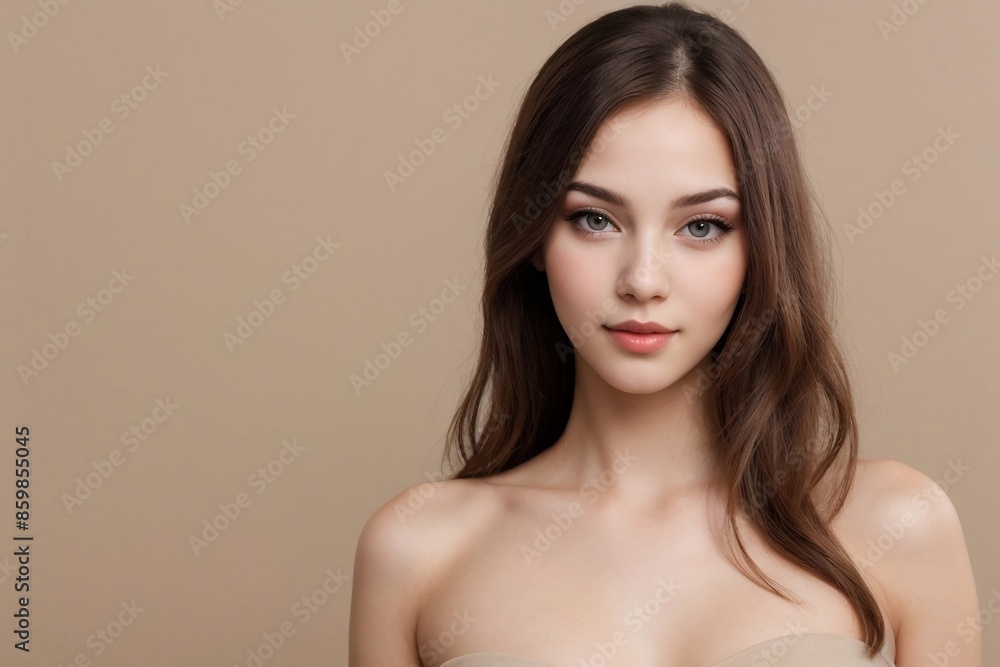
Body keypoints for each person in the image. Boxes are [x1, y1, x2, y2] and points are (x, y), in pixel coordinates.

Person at [348, 3, 980, 666]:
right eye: (594, 218)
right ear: (533, 236)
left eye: (701, 226)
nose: (643, 279)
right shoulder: (417, 549)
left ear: (759, 246)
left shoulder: (898, 524)